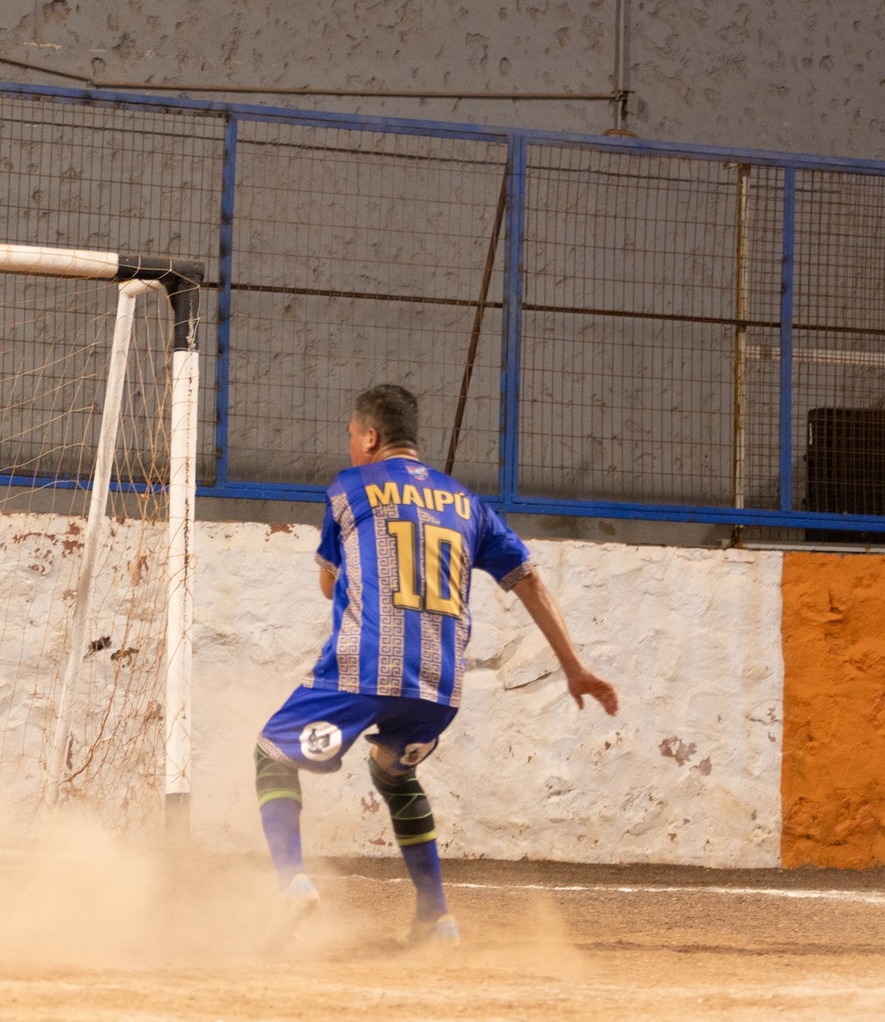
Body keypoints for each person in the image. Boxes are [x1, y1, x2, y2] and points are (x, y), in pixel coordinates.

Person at [254, 383, 620, 946]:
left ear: (370, 436)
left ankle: (292, 885)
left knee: (271, 755)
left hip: (366, 669)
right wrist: (573, 667)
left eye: (352, 436)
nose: (351, 446)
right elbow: (529, 580)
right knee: (392, 770)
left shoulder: (349, 487)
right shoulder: (469, 503)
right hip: (440, 686)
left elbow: (329, 585)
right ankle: (435, 917)